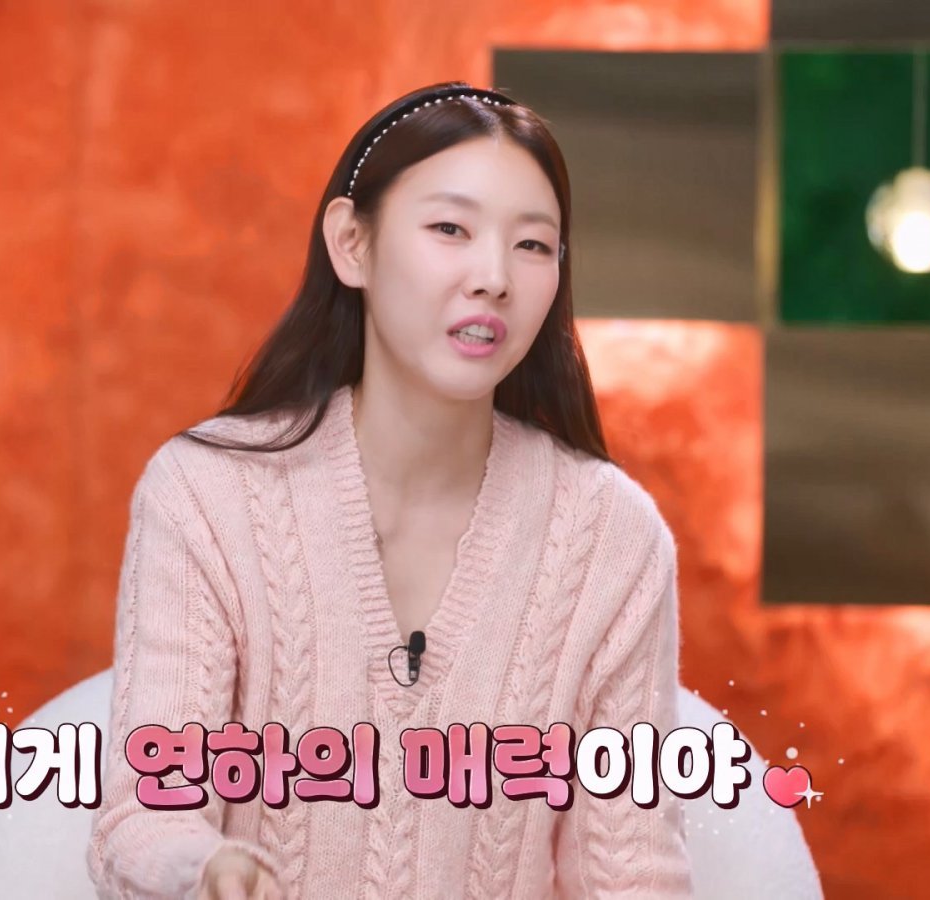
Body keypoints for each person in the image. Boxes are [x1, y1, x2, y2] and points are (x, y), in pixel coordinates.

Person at [87, 81, 692, 899]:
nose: (493, 279)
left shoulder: (613, 537)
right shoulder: (206, 494)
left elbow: (632, 872)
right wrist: (207, 872)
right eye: (450, 229)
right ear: (352, 243)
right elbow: (146, 813)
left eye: (533, 245)